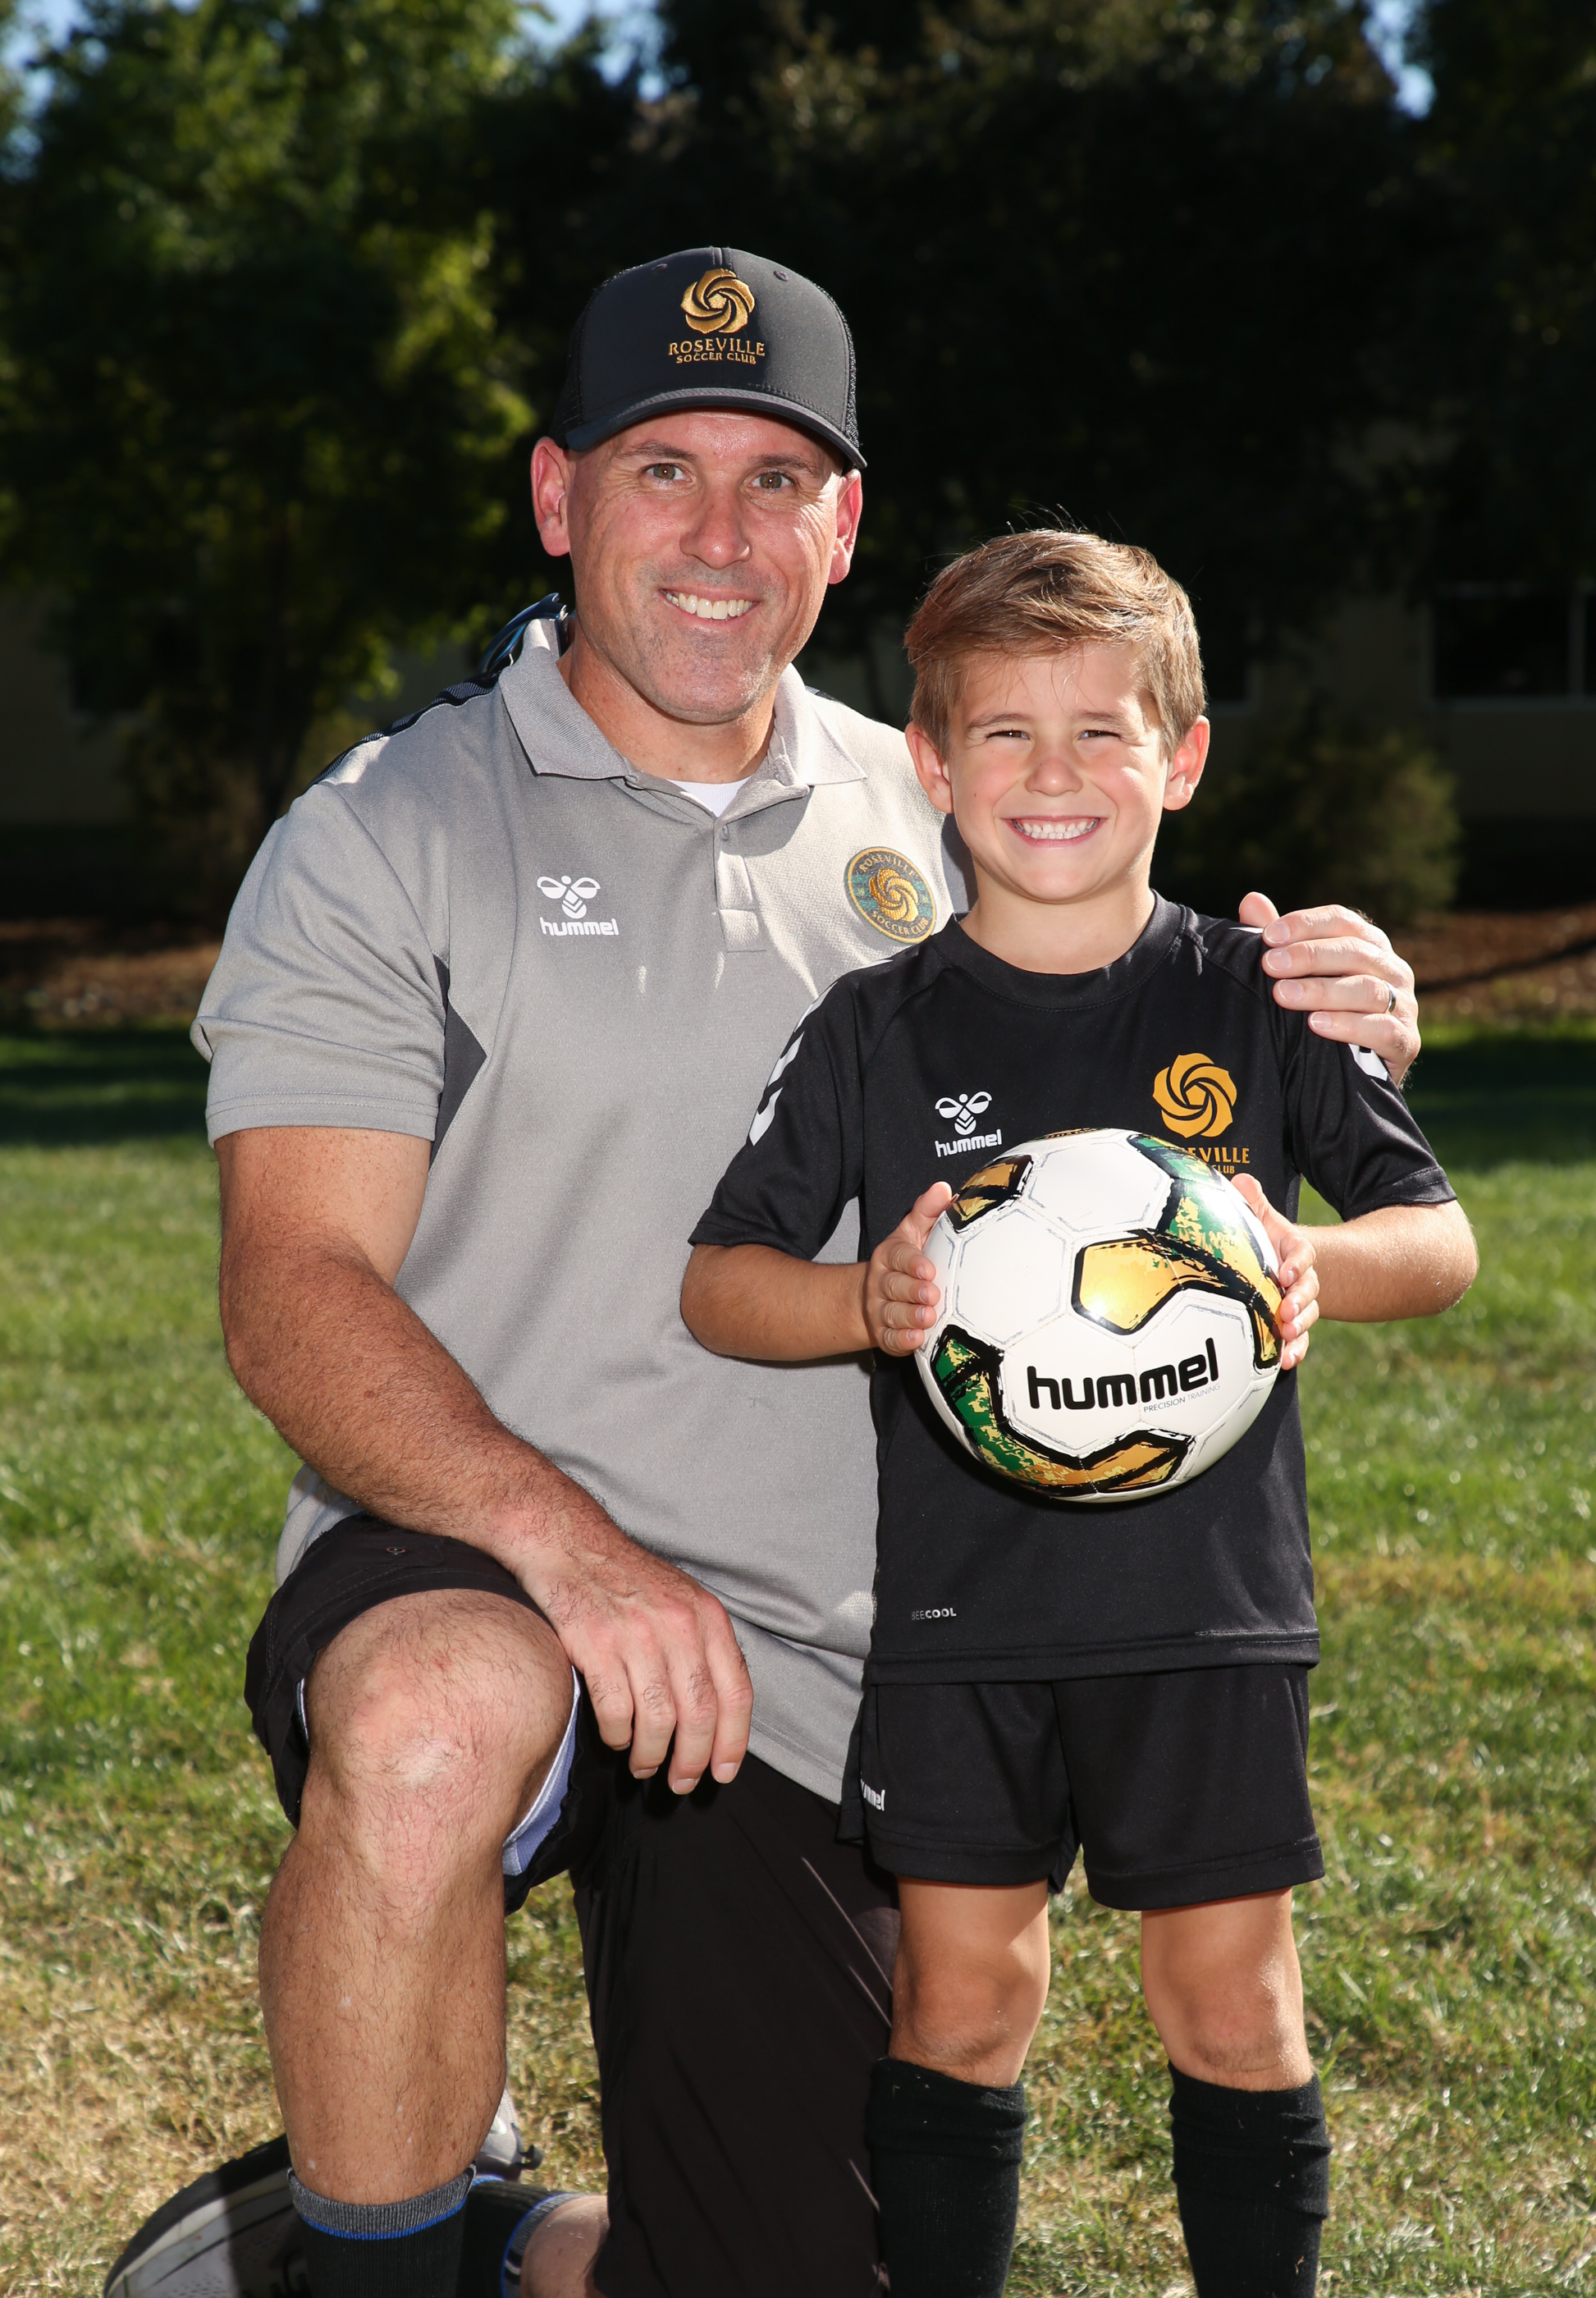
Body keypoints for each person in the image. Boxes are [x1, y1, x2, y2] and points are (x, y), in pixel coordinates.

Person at [167, 249, 1424, 2298]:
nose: (719, 534)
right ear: (558, 495)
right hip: (477, 1553)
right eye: (661, 468)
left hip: (820, 1655)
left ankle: (484, 2239)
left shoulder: (938, 798)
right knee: (433, 1719)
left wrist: (1346, 1012)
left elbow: (1145, 1048)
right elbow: (291, 1285)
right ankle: (356, 2265)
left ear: (845, 523)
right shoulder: (387, 833)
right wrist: (576, 1558)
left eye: (776, 479)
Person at [681, 530, 1477, 2298]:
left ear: (1180, 759)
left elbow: (1438, 1240)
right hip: (963, 1622)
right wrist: (861, 1303)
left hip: (1208, 1612)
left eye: (1102, 732)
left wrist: (1305, 1263)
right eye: (1006, 733)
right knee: (964, 2003)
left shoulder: (1258, 999)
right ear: (930, 760)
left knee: (1233, 2003)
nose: (1054, 776)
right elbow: (720, 1279)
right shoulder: (874, 1029)